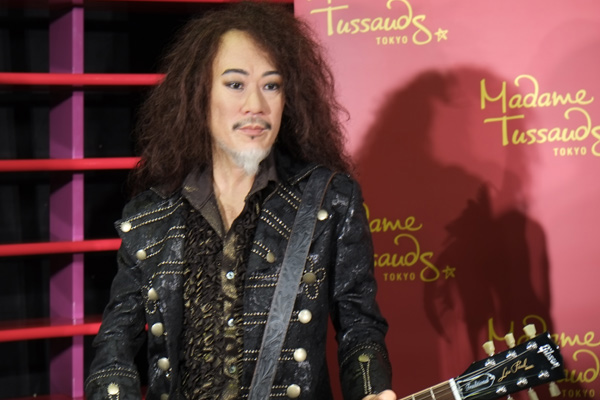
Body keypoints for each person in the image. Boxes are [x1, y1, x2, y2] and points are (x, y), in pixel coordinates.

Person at [85, 2, 396, 400]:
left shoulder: (331, 200)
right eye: (235, 84)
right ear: (200, 95)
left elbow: (360, 328)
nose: (256, 106)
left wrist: (371, 389)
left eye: (272, 85)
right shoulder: (150, 217)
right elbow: (114, 346)